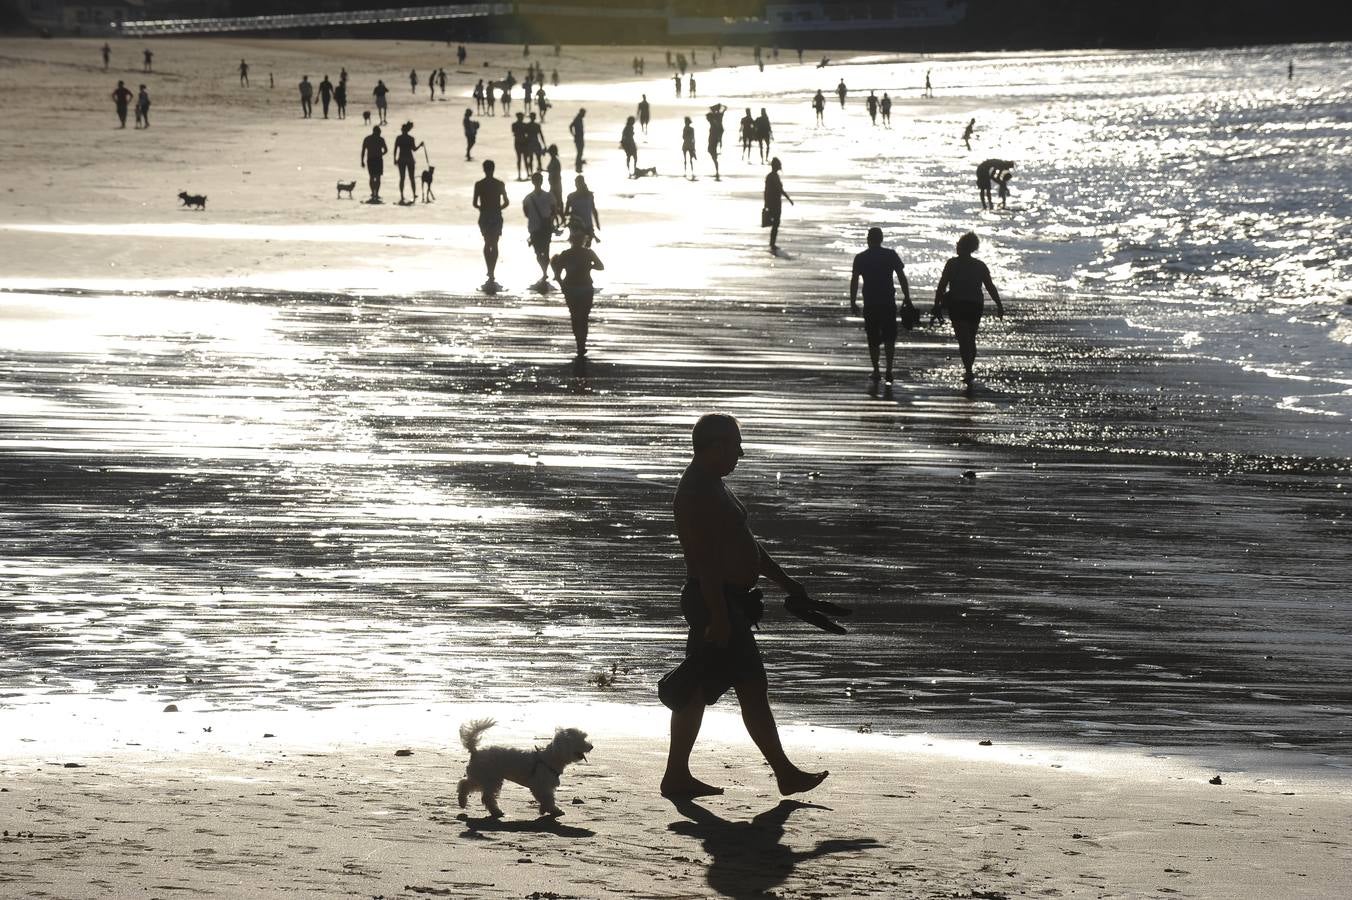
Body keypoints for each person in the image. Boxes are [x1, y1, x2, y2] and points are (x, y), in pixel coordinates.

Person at [660, 412, 833, 801]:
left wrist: (786, 582)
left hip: (725, 602)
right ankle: (783, 773)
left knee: (701, 687)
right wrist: (720, 616)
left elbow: (745, 543)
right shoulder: (696, 492)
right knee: (742, 686)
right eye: (735, 445)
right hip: (714, 602)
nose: (740, 453)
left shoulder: (714, 484)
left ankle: (678, 775)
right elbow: (704, 560)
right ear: (715, 446)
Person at [933, 231, 1003, 387]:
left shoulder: (952, 264)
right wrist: (999, 304)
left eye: (958, 244)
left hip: (958, 304)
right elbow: (990, 286)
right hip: (975, 305)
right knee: (970, 338)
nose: (956, 246)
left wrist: (936, 304)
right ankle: (969, 368)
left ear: (962, 246)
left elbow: (942, 285)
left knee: (963, 339)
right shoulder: (980, 265)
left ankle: (969, 369)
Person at [850, 227, 913, 383]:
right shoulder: (890, 255)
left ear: (868, 239)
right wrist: (907, 296)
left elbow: (855, 280)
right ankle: (889, 370)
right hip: (887, 301)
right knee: (889, 336)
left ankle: (876, 370)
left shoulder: (861, 257)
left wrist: (853, 301)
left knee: (872, 337)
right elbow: (901, 276)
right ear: (881, 239)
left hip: (870, 302)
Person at [550, 230, 604, 357]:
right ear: (584, 240)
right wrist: (590, 266)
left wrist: (563, 287)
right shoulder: (589, 253)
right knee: (584, 317)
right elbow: (601, 266)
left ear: (571, 241)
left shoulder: (565, 254)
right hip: (586, 288)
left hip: (571, 288)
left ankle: (579, 343)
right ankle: (581, 345)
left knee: (575, 316)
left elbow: (557, 275)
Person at [473, 160, 510, 285]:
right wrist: (498, 208)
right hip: (496, 216)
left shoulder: (479, 184)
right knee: (494, 243)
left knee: (487, 242)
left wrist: (483, 209)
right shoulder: (499, 184)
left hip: (484, 216)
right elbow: (506, 202)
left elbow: (475, 203)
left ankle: (489, 269)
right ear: (493, 169)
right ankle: (492, 270)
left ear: (484, 169)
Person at [523, 171, 557, 288]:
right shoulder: (549, 196)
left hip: (535, 228)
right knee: (543, 251)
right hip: (544, 227)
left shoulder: (528, 198)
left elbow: (526, 213)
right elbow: (554, 211)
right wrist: (550, 220)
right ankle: (544, 271)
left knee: (540, 252)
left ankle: (544, 272)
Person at [762, 157, 792, 252]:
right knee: (776, 223)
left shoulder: (770, 176)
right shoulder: (773, 177)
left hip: (772, 202)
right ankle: (772, 243)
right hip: (775, 203)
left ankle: (772, 242)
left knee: (775, 223)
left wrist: (766, 203)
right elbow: (779, 190)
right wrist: (788, 198)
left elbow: (766, 191)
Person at [563, 174, 600, 245]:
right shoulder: (571, 196)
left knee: (584, 246)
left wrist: (597, 223)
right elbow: (566, 213)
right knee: (578, 246)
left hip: (586, 225)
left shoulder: (589, 195)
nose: (577, 185)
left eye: (578, 183)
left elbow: (593, 210)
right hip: (577, 225)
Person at [393, 121, 423, 205]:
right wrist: (420, 145)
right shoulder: (411, 138)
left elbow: (395, 149)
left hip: (401, 159)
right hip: (409, 159)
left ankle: (402, 195)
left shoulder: (399, 138)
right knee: (412, 178)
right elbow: (414, 149)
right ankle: (414, 194)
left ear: (402, 130)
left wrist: (394, 159)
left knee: (402, 178)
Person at [360, 126, 388, 202]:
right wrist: (381, 154)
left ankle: (374, 193)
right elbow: (386, 150)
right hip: (377, 159)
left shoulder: (367, 139)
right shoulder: (380, 139)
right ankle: (376, 193)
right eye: (379, 132)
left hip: (371, 159)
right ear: (377, 132)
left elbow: (363, 150)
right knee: (377, 177)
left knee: (372, 177)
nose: (379, 134)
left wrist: (362, 161)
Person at [705, 104, 726, 181]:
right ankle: (717, 171)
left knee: (712, 154)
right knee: (712, 154)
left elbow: (709, 116)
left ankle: (717, 171)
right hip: (714, 138)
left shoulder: (714, 121)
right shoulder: (716, 117)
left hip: (714, 138)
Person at [545, 144, 564, 217]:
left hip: (555, 185)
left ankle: (561, 217)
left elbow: (555, 173)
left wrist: (553, 185)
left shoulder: (555, 161)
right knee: (555, 202)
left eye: (550, 152)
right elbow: (551, 171)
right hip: (554, 184)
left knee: (555, 202)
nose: (549, 154)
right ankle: (560, 217)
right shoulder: (553, 160)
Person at [511, 112, 530, 179]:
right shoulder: (524, 125)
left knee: (521, 159)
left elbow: (514, 132)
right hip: (522, 143)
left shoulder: (514, 124)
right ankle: (526, 174)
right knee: (523, 159)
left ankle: (522, 174)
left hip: (519, 143)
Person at [568, 108, 586, 172]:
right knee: (579, 150)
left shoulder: (579, 118)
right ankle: (578, 162)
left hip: (580, 137)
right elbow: (570, 126)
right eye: (584, 113)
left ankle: (579, 160)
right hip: (578, 138)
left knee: (581, 150)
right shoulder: (577, 118)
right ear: (581, 113)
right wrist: (573, 134)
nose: (584, 115)